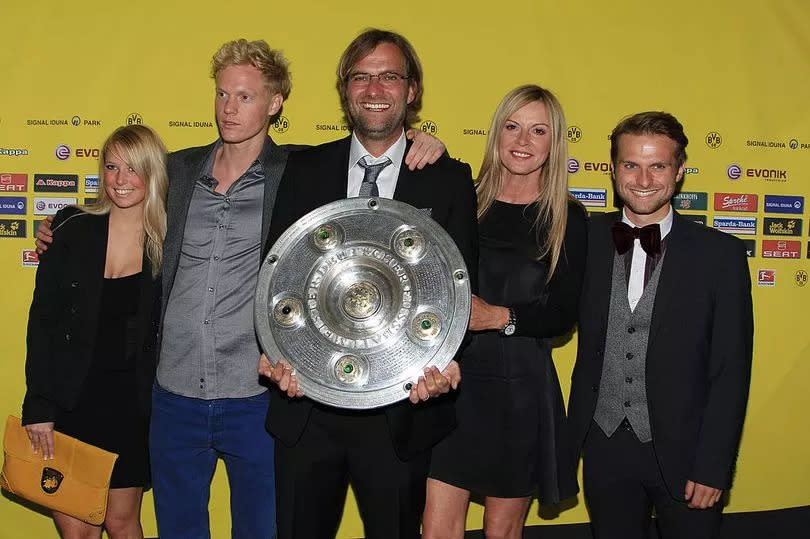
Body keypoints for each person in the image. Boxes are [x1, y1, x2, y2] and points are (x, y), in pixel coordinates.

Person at [33, 38, 445, 539]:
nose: (230, 108)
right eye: (223, 94)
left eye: (245, 97)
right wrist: (66, 227)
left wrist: (424, 142)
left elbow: (373, 157)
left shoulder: (302, 171)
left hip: (255, 396)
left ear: (274, 104)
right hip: (172, 394)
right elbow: (118, 199)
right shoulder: (177, 170)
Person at [259, 29, 478, 539]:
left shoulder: (447, 178)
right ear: (344, 89)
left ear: (412, 90)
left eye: (389, 76)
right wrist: (271, 351)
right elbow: (274, 276)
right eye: (361, 77)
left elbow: (461, 285)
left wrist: (445, 360)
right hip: (305, 409)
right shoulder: (304, 167)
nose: (374, 89)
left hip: (402, 413)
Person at [567, 111, 753, 538]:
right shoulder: (584, 237)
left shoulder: (719, 255)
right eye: (631, 164)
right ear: (613, 170)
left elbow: (731, 370)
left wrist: (714, 465)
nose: (644, 179)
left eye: (658, 165)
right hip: (605, 446)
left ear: (680, 170)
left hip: (688, 456)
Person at [420, 85, 587, 539]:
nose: (522, 140)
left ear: (555, 144)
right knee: (436, 528)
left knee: (502, 531)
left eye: (538, 130)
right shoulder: (463, 198)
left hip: (520, 389)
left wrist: (500, 317)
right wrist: (423, 142)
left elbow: (562, 315)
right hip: (451, 380)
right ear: (496, 133)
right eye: (512, 126)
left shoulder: (567, 218)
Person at [23, 124, 166, 539]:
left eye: (133, 169)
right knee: (77, 531)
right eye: (111, 167)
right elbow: (43, 322)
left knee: (122, 524)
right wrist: (40, 407)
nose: (121, 181)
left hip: (131, 408)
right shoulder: (71, 227)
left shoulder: (170, 240)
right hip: (71, 403)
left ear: (153, 173)